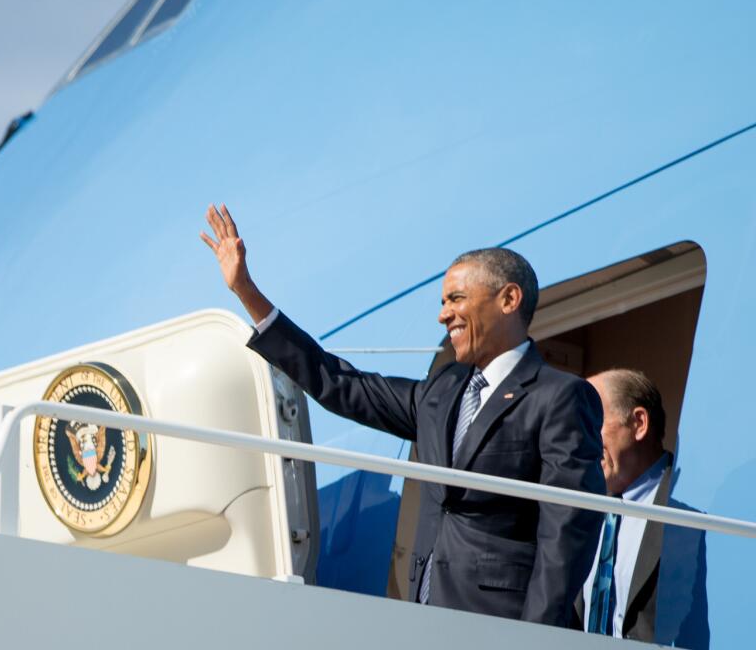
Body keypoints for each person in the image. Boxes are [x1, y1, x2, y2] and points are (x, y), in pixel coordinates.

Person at [200, 203, 606, 626]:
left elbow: (569, 528)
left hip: (506, 622)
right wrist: (248, 292)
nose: (443, 313)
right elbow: (342, 384)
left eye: (456, 298)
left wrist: (537, 635)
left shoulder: (559, 396)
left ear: (508, 298)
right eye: (443, 301)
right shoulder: (443, 390)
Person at [577, 369, 709, 646]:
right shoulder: (578, 510)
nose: (581, 439)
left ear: (639, 423)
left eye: (592, 422)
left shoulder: (691, 510)